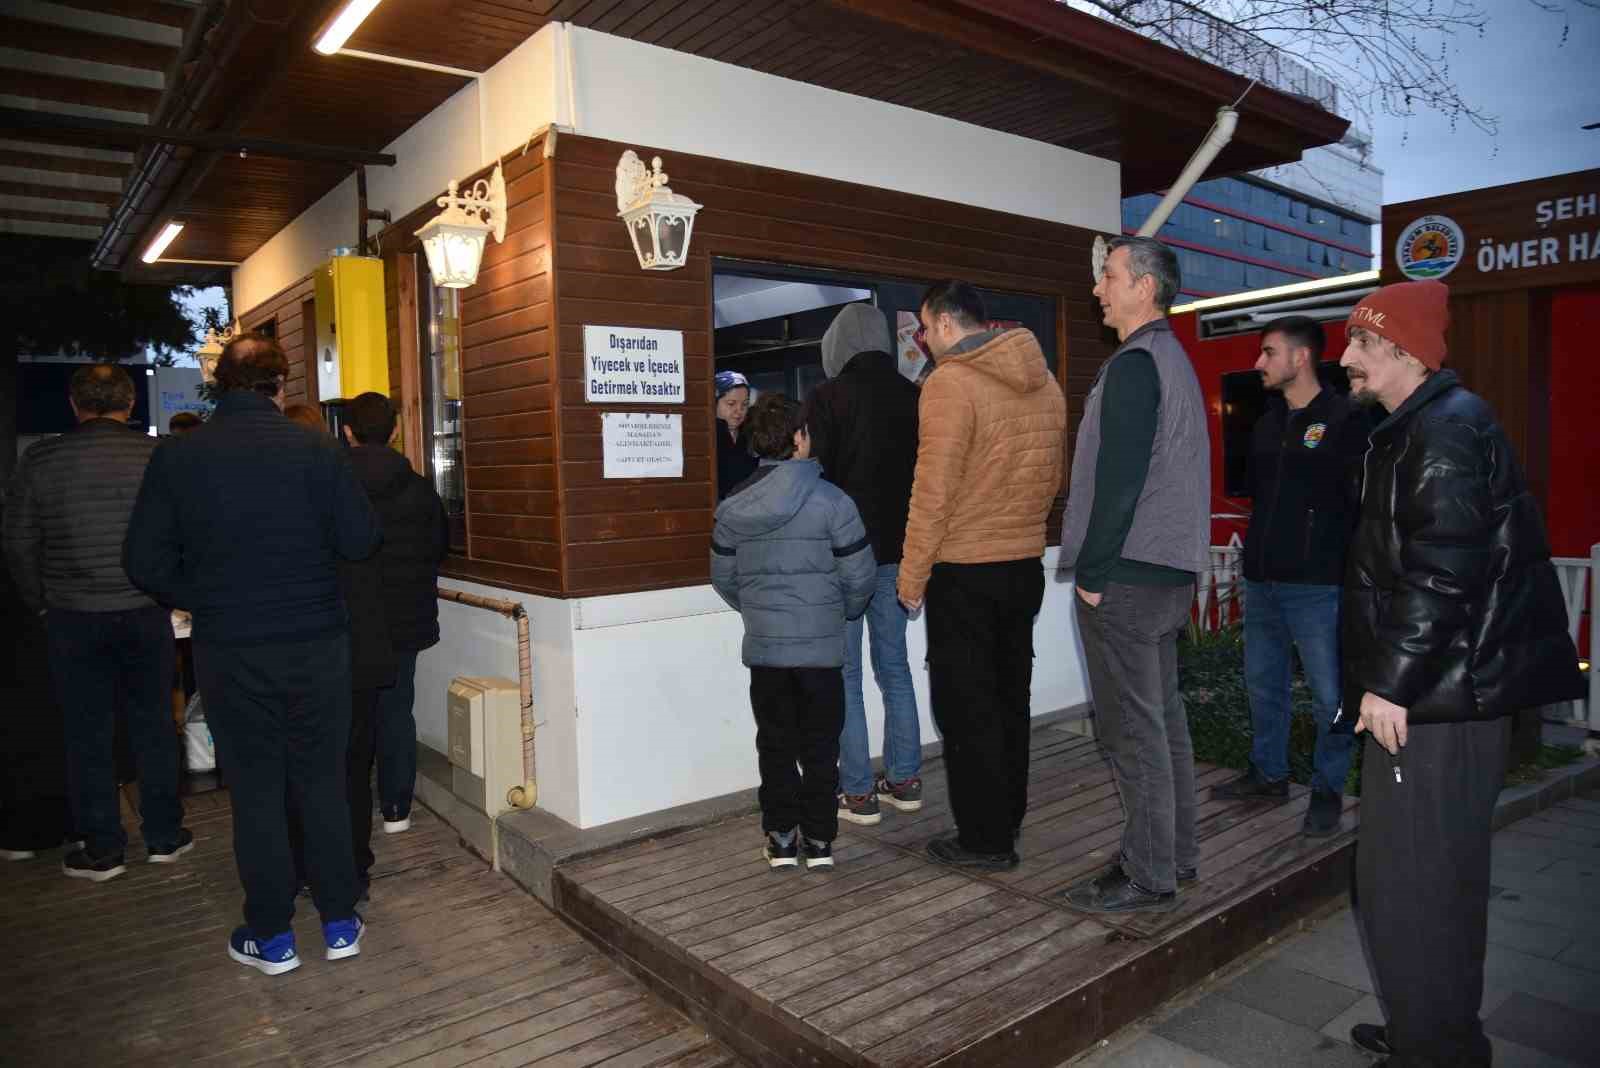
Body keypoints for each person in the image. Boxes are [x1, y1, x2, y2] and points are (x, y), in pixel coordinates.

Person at [1335, 281, 1582, 1068]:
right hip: (1444, 695)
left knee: (1411, 886)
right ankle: (1431, 1031)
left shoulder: (1442, 429)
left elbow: (1443, 574)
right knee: (1425, 878)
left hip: (1434, 702)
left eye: (1361, 345)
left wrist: (1390, 683)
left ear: (1403, 351)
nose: (1346, 358)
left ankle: (1436, 1049)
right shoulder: (1427, 425)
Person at [124, 333, 380, 976]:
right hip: (318, 642)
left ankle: (272, 938)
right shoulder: (319, 450)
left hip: (232, 647)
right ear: (281, 384)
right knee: (322, 781)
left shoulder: (179, 457)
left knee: (258, 791)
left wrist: (206, 596)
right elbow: (360, 540)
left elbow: (143, 562)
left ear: (219, 384)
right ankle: (341, 922)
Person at [1057, 237, 1209, 913]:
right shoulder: (1170, 361)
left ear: (1144, 287)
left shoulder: (1135, 365)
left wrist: (1092, 572)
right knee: (1163, 719)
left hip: (1127, 575)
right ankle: (1174, 854)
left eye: (1109, 276)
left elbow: (1120, 479)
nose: (1099, 289)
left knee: (1132, 730)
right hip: (1166, 573)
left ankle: (1148, 871)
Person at [897, 280, 1066, 872]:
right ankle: (1005, 819)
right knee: (1008, 700)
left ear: (946, 324)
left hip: (964, 572)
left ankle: (984, 839)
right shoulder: (1045, 383)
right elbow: (1053, 479)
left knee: (966, 710)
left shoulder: (949, 384)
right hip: (1022, 565)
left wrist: (912, 576)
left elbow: (932, 492)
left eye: (924, 327)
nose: (923, 338)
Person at [3, 364, 189, 882]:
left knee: (86, 732)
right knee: (154, 723)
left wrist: (40, 601)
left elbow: (17, 541)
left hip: (72, 615)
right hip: (145, 611)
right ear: (129, 405)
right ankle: (164, 836)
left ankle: (103, 847)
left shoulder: (40, 459)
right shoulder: (158, 456)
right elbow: (184, 532)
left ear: (74, 404)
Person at [1213, 316, 1369, 836]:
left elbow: (1358, 504)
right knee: (1263, 685)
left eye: (1268, 352)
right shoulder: (1268, 421)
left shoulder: (1347, 419)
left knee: (1330, 696)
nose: (1259, 363)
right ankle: (1268, 774)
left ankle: (1327, 789)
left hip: (1317, 584)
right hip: (1262, 580)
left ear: (1300, 358)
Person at [711, 393, 876, 870]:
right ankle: (820, 842)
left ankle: (781, 839)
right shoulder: (835, 502)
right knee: (822, 748)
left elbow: (723, 576)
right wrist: (838, 613)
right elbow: (860, 577)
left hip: (766, 652)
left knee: (776, 745)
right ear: (800, 439)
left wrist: (759, 611)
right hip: (822, 650)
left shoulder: (732, 506)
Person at [803, 304, 923, 826]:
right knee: (895, 669)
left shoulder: (826, 397)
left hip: (843, 559)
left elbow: (813, 478)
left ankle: (856, 793)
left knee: (847, 674)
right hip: (899, 555)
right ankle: (905, 779)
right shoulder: (915, 396)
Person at [338, 391, 448, 837]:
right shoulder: (421, 488)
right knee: (397, 708)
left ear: (347, 432)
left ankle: (349, 810)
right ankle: (397, 807)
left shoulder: (330, 485)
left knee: (347, 715)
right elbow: (438, 548)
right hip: (406, 616)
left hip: (346, 620)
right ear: (397, 431)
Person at [715, 370, 756, 499]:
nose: (739, 411)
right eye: (731, 404)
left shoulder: (752, 434)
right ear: (713, 403)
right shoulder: (705, 437)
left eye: (745, 404)